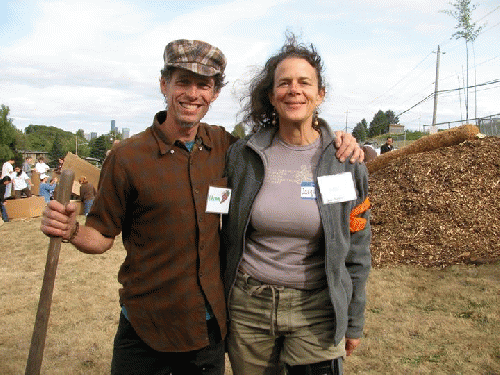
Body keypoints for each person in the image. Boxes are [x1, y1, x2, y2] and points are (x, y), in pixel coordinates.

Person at [40, 39, 363, 375]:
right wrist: (72, 230)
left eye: (203, 85)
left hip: (206, 330)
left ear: (214, 93)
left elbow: (285, 150)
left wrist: (337, 140)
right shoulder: (128, 158)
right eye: (182, 82)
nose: (192, 94)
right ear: (164, 85)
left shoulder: (226, 148)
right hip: (145, 326)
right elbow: (101, 235)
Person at [221, 35, 371, 375]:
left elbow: (358, 248)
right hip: (249, 309)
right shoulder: (243, 158)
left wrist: (354, 318)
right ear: (272, 96)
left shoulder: (345, 161)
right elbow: (219, 221)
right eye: (284, 83)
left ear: (320, 94)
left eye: (305, 82)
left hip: (317, 310)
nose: (294, 90)